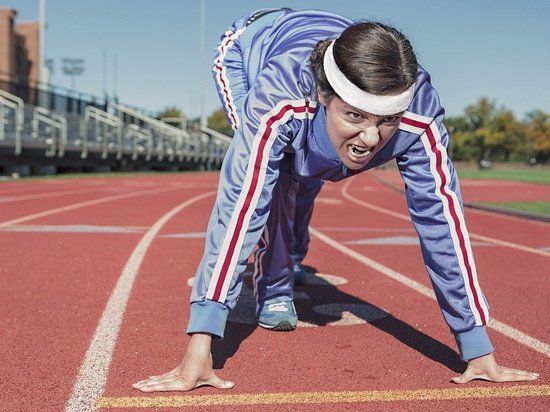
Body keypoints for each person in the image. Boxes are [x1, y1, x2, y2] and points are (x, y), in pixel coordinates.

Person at [133, 8, 539, 392]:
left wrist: (477, 347)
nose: (370, 139)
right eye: (356, 117)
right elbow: (240, 206)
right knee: (275, 179)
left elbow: (443, 224)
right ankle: (274, 285)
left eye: (387, 122)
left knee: (311, 171)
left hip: (328, 45)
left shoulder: (420, 116)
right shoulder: (280, 97)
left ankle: (293, 252)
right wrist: (201, 344)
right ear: (326, 96)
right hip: (249, 48)